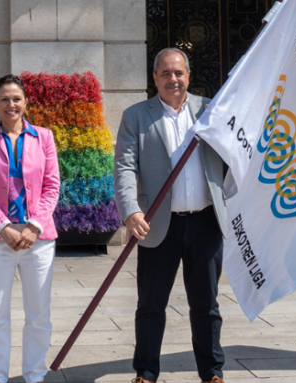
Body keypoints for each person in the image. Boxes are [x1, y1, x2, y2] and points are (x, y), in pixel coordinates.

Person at [114, 48, 234, 383]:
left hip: (206, 222)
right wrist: (130, 211)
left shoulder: (211, 110)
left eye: (179, 73)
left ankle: (212, 372)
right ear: (154, 78)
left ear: (189, 76)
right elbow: (124, 167)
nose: (173, 80)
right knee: (151, 305)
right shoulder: (136, 116)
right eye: (165, 73)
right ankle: (147, 372)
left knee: (206, 305)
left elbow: (236, 150)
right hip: (156, 224)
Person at [0, 74, 61, 383]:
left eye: (17, 98)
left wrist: (34, 227)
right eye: (5, 99)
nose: (11, 104)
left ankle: (35, 375)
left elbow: (52, 186)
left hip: (38, 239)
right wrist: (3, 228)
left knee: (38, 314)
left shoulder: (44, 137)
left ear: (26, 103)